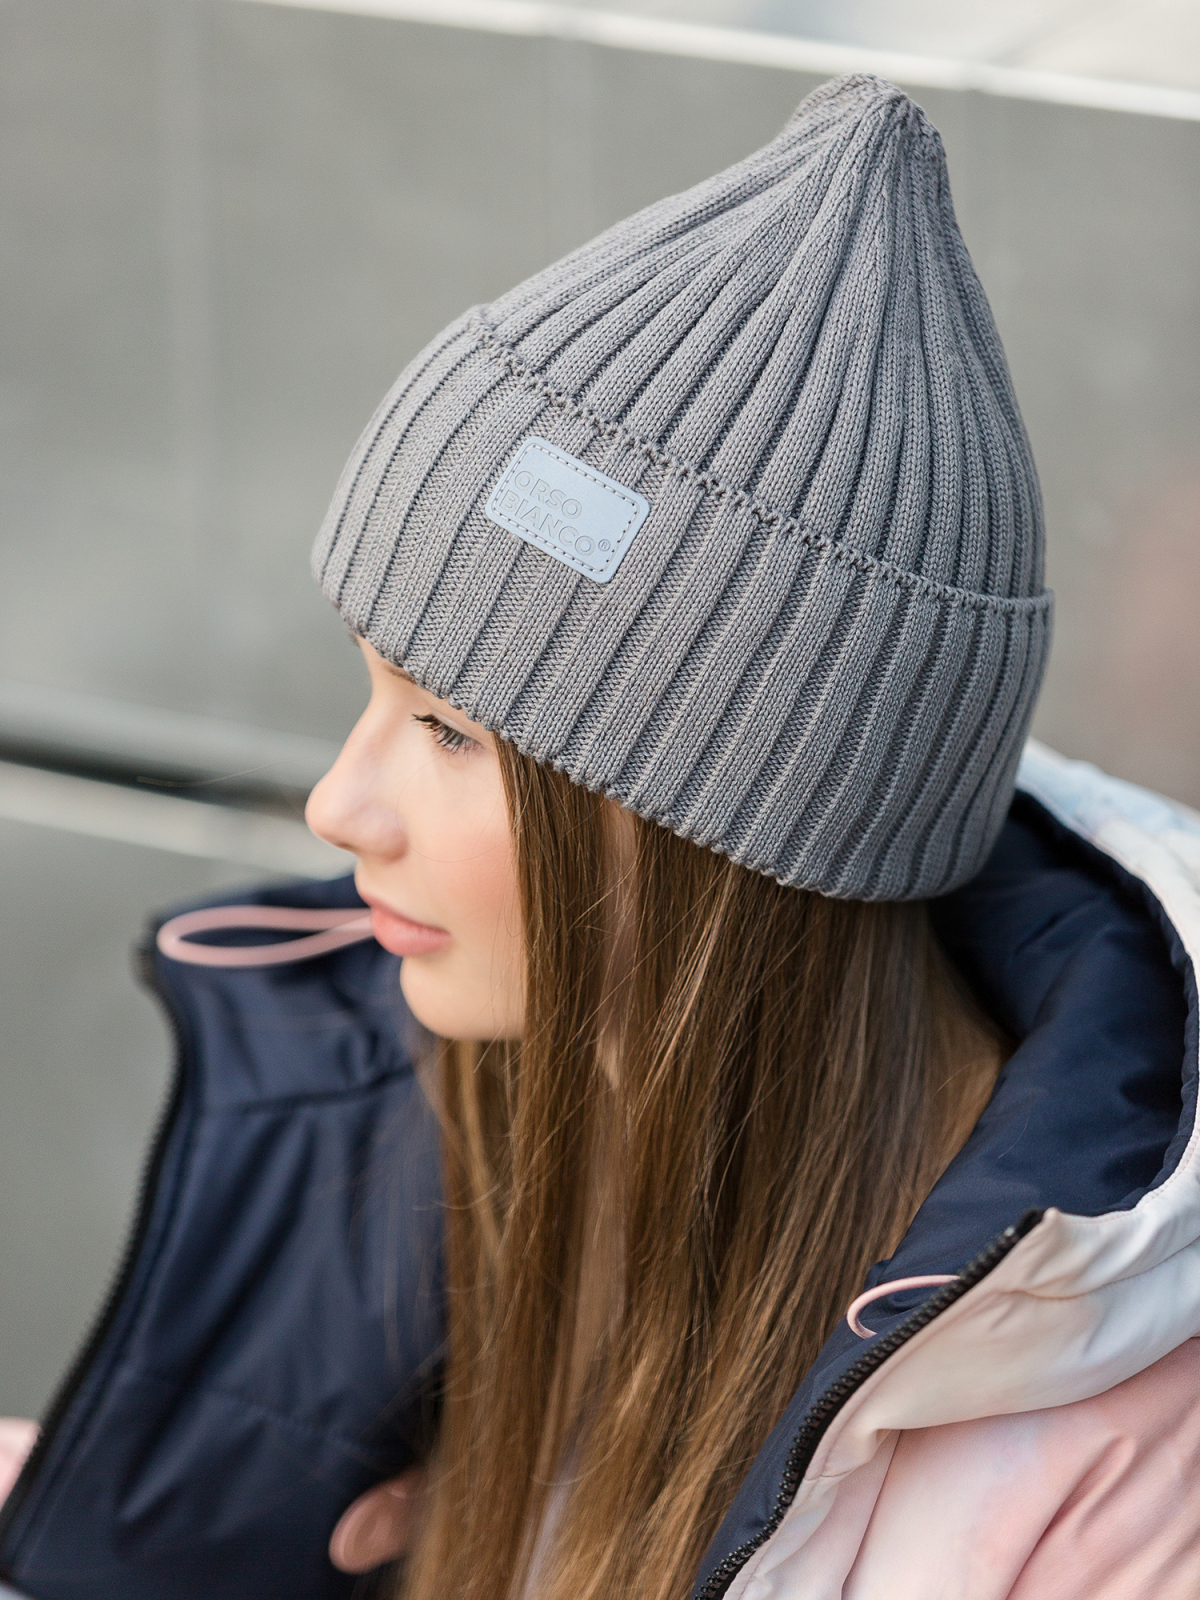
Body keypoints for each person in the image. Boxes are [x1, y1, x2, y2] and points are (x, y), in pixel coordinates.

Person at [3, 72, 1200, 1600]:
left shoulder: (1133, 1477)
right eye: (372, 694)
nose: (338, 806)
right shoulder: (430, 1115)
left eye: (450, 733)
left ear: (741, 835)